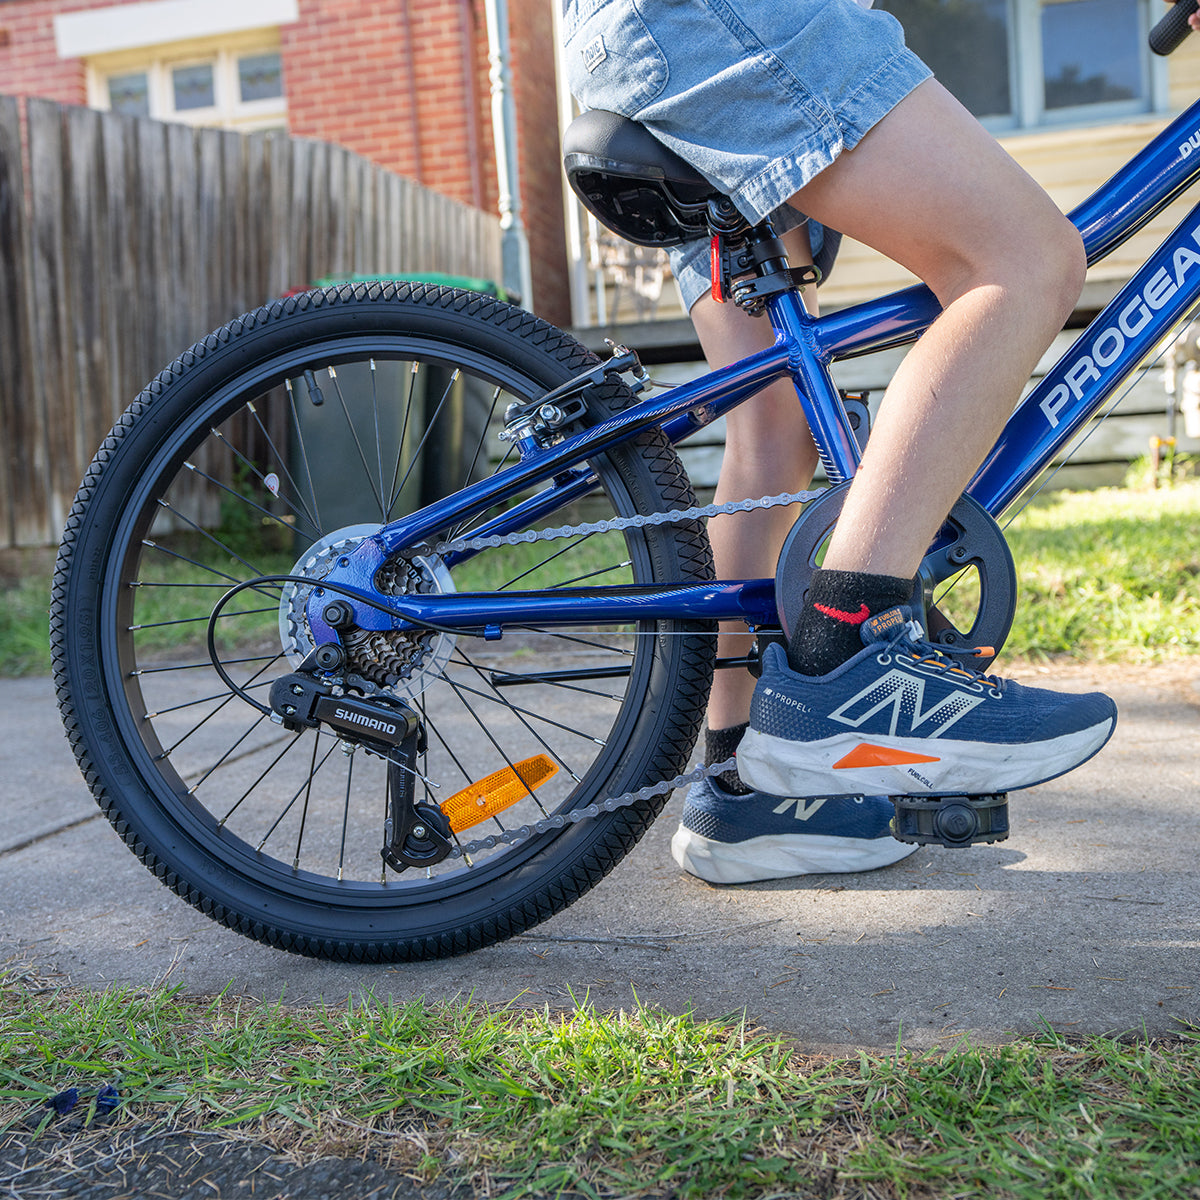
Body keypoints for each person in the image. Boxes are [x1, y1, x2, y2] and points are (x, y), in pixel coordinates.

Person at [559, 0, 1117, 884]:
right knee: (1024, 260)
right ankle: (853, 647)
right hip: (716, 21)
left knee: (771, 424)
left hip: (650, 35)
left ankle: (748, 789)